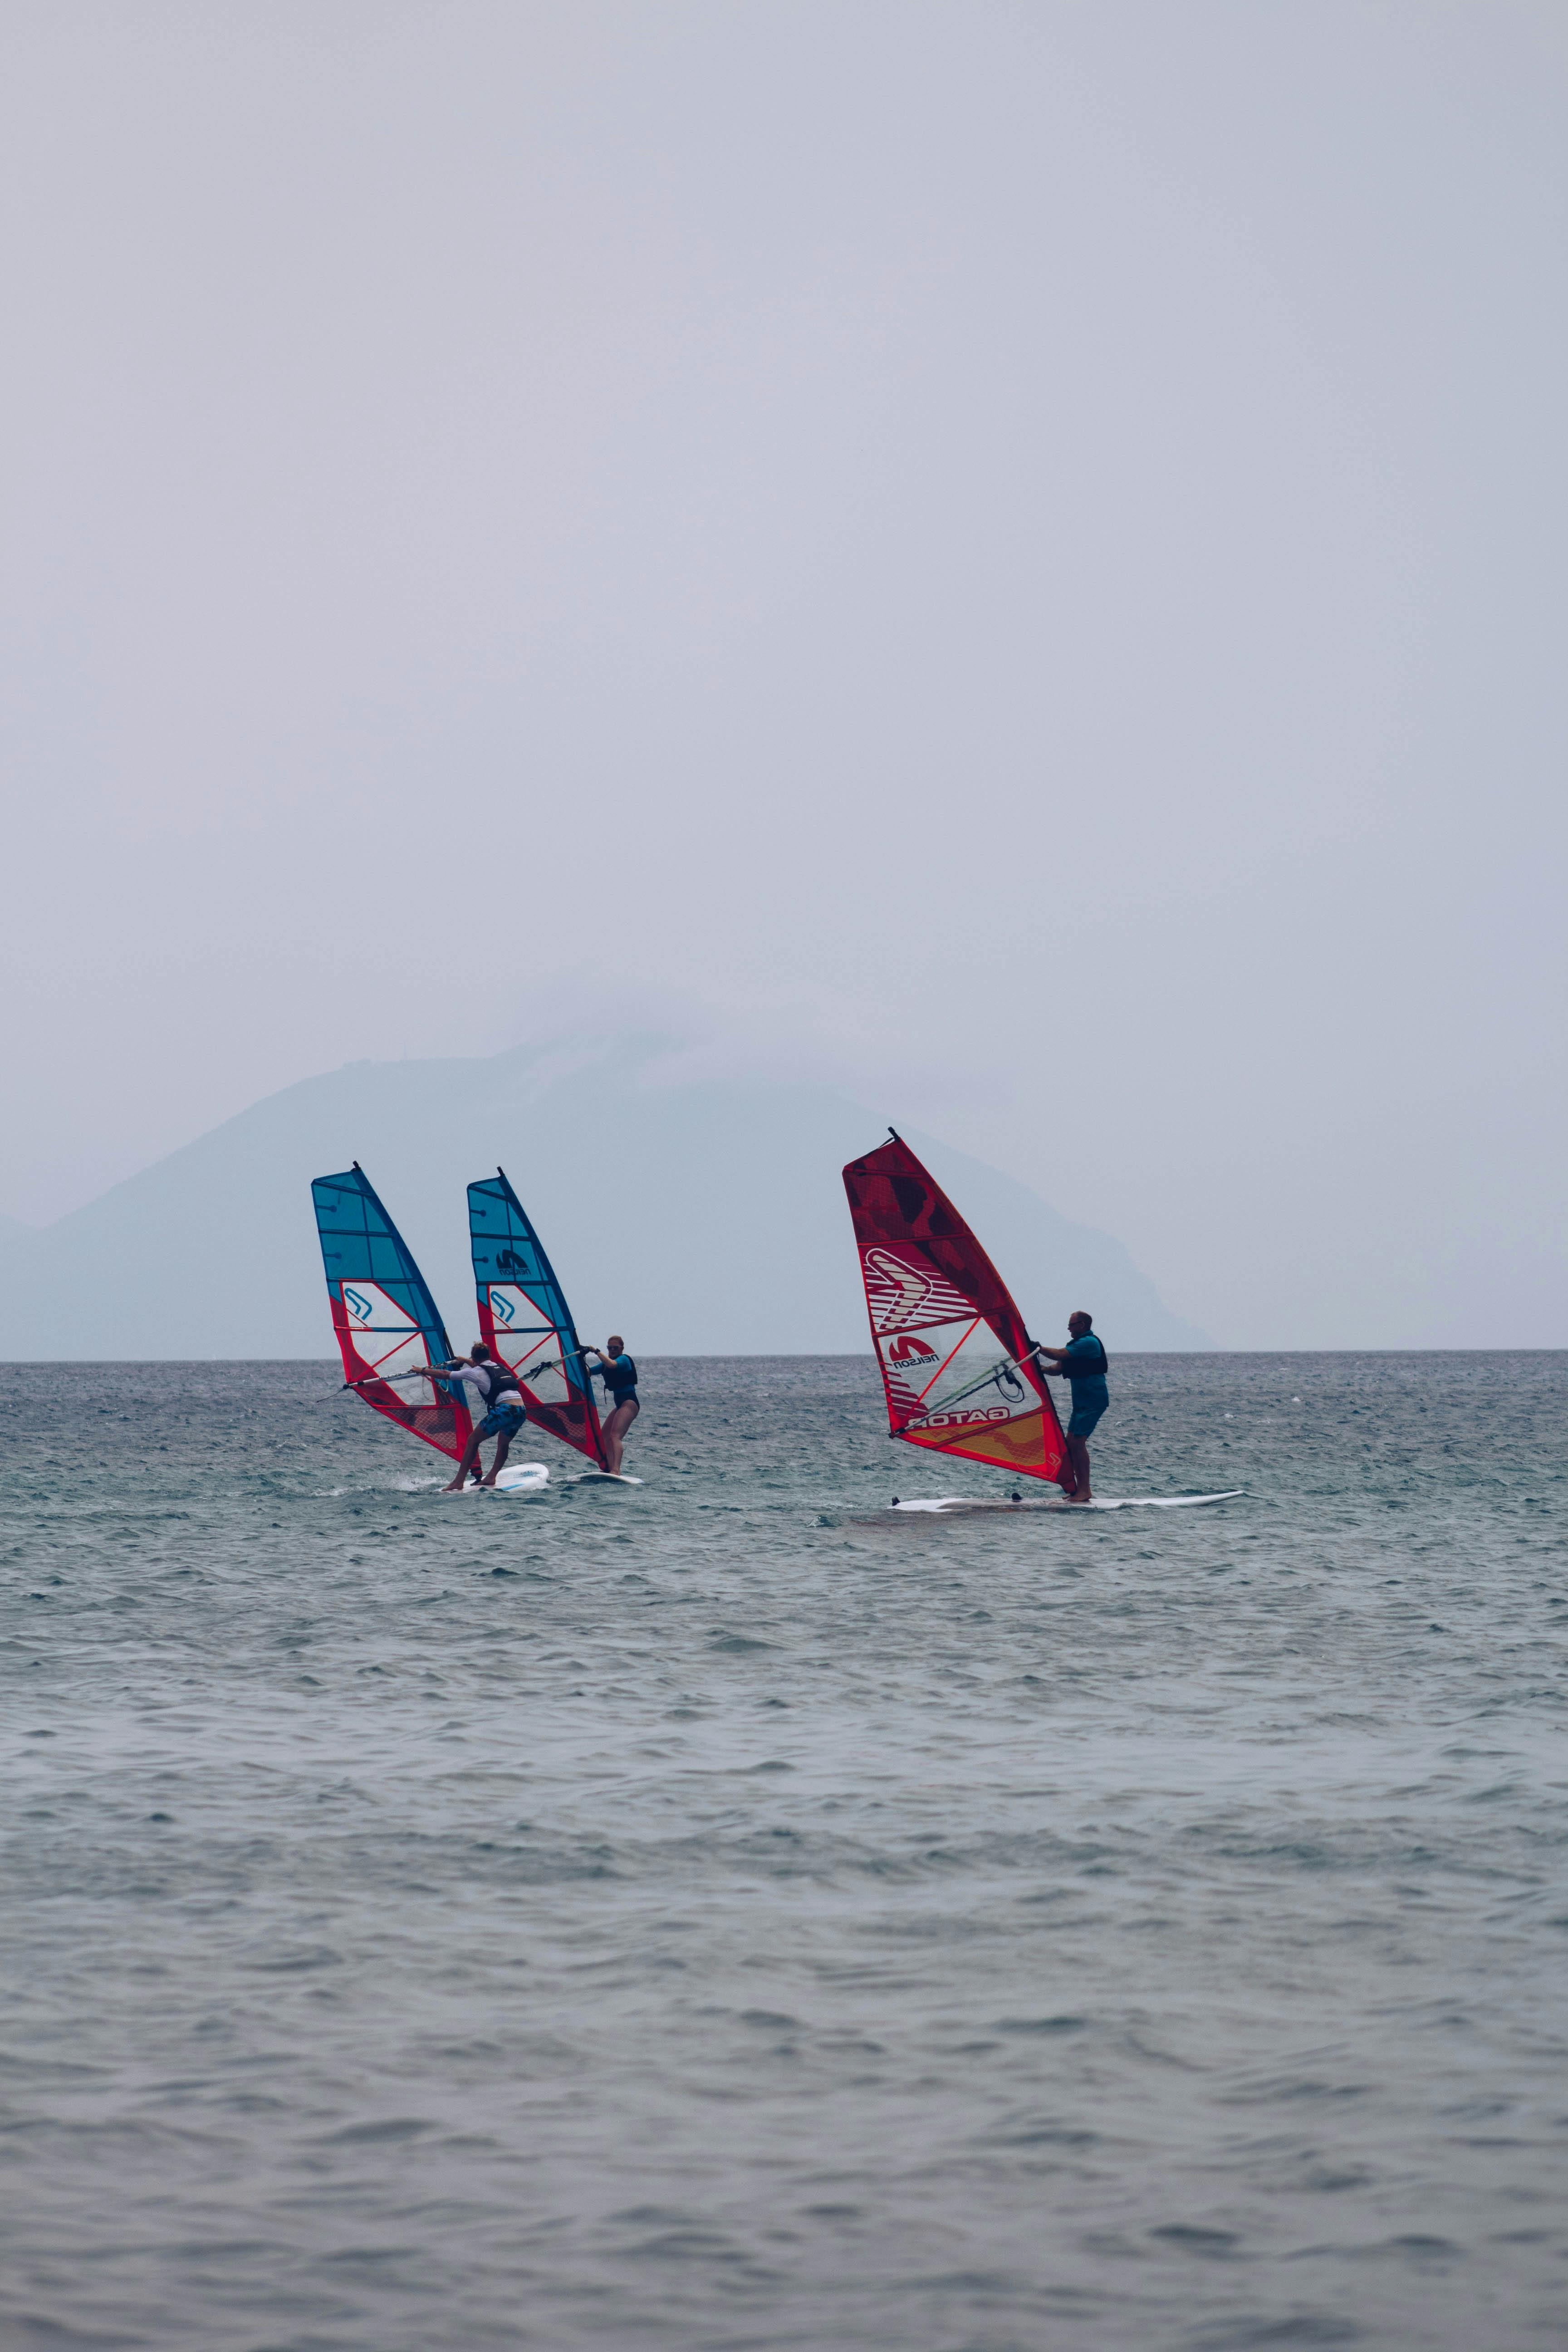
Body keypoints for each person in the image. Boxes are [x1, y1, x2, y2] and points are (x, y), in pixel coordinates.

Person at [418, 1343, 527, 1493]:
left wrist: (422, 1370)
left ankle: (459, 1481)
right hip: (521, 1411)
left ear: (474, 1357)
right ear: (488, 1356)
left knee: (472, 1441)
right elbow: (480, 1367)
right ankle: (491, 1477)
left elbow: (445, 1374)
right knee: (503, 1444)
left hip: (505, 1411)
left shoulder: (474, 1372)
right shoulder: (499, 1367)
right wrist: (464, 1360)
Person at [1035, 1311, 1108, 1504]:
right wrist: (1041, 1369)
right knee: (1070, 1444)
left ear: (1082, 1325)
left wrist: (1038, 1348)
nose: (1068, 1328)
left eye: (1071, 1324)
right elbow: (1057, 1368)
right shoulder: (1076, 1346)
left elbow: (1059, 1354)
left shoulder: (1089, 1343)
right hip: (1081, 1402)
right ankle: (1078, 1490)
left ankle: (1085, 1490)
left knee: (1077, 1443)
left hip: (1094, 1400)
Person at [583, 1335, 639, 1473]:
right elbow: (588, 1372)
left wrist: (596, 1351)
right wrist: (577, 1361)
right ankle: (608, 1467)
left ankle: (616, 1470)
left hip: (630, 1403)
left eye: (616, 1348)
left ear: (622, 1348)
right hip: (619, 1405)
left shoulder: (624, 1360)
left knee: (615, 1436)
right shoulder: (605, 1365)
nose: (612, 1350)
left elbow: (612, 1365)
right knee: (603, 1437)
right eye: (610, 1348)